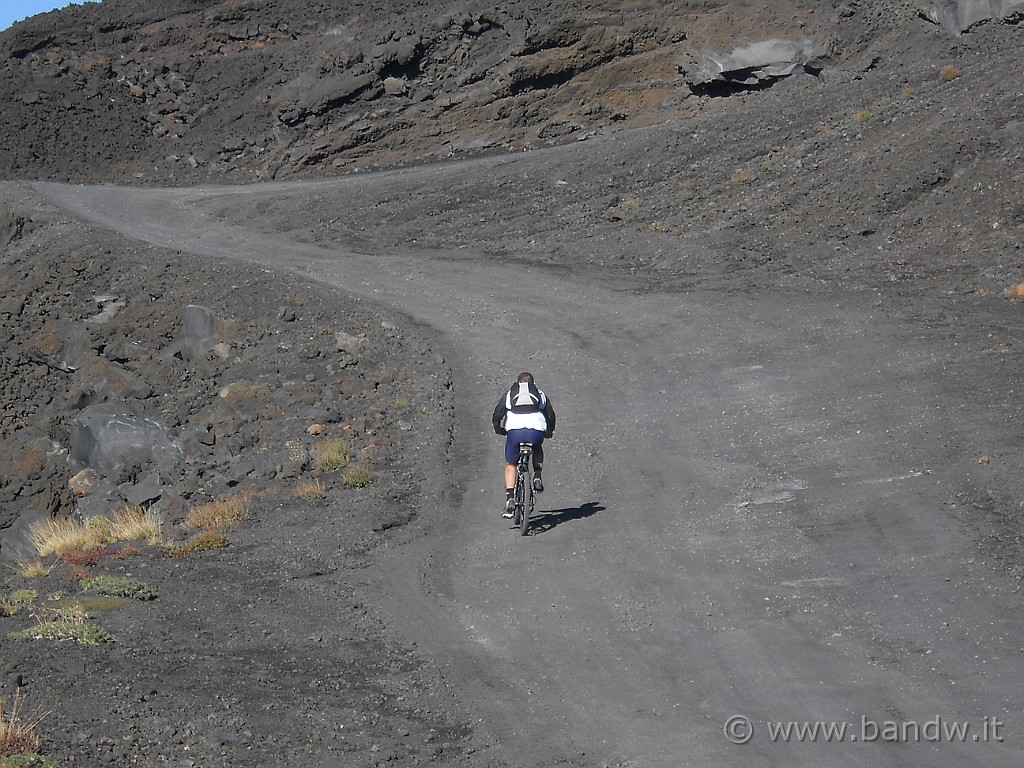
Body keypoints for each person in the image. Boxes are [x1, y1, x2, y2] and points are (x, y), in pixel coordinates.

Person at [492, 371, 555, 518]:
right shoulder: (540, 394)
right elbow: (551, 415)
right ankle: (537, 475)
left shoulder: (509, 394)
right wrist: (549, 431)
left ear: (517, 383)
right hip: (536, 432)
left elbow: (497, 414)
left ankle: (510, 498)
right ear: (533, 384)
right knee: (537, 447)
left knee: (511, 464)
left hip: (515, 432)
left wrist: (498, 428)